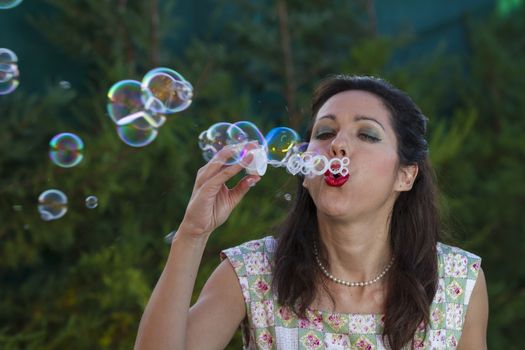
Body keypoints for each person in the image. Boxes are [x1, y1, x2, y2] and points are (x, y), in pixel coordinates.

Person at [134, 75, 488, 350]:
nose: (337, 144)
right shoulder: (252, 273)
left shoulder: (457, 282)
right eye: (325, 132)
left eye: (366, 134)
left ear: (405, 175)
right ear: (304, 170)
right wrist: (191, 235)